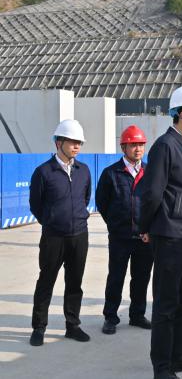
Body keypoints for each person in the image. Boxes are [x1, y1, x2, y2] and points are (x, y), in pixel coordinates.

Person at [138, 85, 182, 379]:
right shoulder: (165, 146)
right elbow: (152, 193)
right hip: (170, 237)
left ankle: (178, 355)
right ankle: (162, 367)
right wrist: (145, 226)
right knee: (166, 305)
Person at [29, 119, 91, 347]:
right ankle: (39, 328)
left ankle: (72, 325)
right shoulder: (43, 172)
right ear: (58, 142)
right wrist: (52, 221)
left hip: (79, 236)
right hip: (53, 237)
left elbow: (85, 198)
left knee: (75, 282)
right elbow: (36, 205)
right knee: (46, 281)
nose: (76, 146)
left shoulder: (83, 171)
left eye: (79, 142)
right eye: (72, 141)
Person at [96, 125, 153, 335]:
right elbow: (102, 203)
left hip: (144, 237)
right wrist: (115, 225)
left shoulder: (150, 172)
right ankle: (110, 317)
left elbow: (155, 201)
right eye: (133, 145)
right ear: (123, 147)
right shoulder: (111, 173)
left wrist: (149, 229)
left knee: (141, 279)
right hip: (120, 237)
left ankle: (137, 315)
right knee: (116, 278)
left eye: (141, 145)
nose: (138, 149)